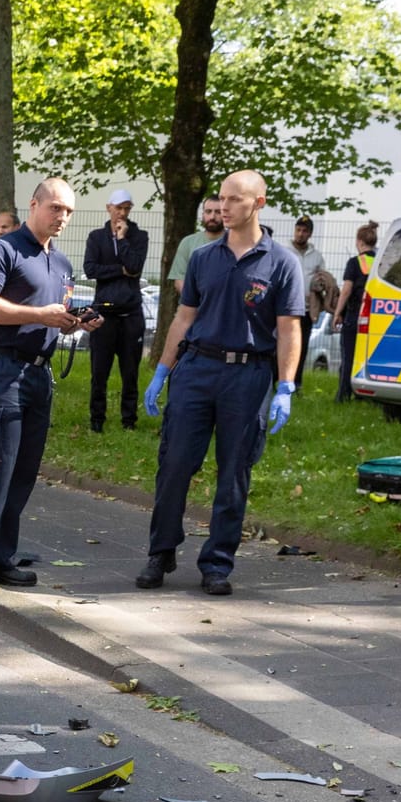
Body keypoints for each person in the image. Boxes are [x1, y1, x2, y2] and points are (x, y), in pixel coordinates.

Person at [138, 170, 304, 595]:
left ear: (259, 202)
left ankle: (217, 563)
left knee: (234, 472)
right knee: (174, 465)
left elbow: (288, 329)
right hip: (196, 370)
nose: (225, 208)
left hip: (248, 376)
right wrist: (163, 368)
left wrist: (285, 386)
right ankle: (161, 552)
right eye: (222, 200)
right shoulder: (203, 257)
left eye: (235, 200)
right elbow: (184, 317)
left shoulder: (282, 262)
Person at [0, 177, 98, 594]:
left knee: (23, 472)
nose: (62, 217)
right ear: (33, 205)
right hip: (2, 370)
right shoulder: (1, 250)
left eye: (69, 211)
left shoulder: (63, 264)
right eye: (55, 208)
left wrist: (73, 322)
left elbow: (54, 314)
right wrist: (40, 314)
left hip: (39, 373)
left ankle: (0, 559)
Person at [82, 188, 150, 432]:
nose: (122, 213)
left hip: (131, 313)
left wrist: (122, 240)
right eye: (118, 207)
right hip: (104, 313)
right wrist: (119, 270)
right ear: (109, 207)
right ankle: (96, 420)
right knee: (99, 371)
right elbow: (90, 269)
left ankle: (128, 421)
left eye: (127, 208)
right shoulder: (96, 237)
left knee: (130, 372)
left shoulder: (139, 236)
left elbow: (134, 266)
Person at [331, 220, 378, 403]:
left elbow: (346, 290)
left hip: (354, 316)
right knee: (366, 358)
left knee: (348, 356)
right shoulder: (380, 262)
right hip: (373, 318)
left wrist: (337, 313)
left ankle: (343, 395)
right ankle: (364, 396)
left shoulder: (355, 262)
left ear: (359, 241)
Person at [289, 214, 329, 391]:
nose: (300, 234)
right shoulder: (285, 251)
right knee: (282, 345)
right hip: (286, 308)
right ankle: (276, 379)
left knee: (301, 347)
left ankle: (296, 383)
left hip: (306, 310)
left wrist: (319, 285)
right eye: (298, 230)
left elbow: (323, 279)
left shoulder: (317, 257)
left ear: (310, 234)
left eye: (304, 231)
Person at [166, 196, 223, 302]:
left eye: (218, 212)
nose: (212, 216)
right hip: (193, 311)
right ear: (203, 214)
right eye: (208, 211)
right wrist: (195, 302)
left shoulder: (234, 243)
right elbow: (179, 280)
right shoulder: (188, 243)